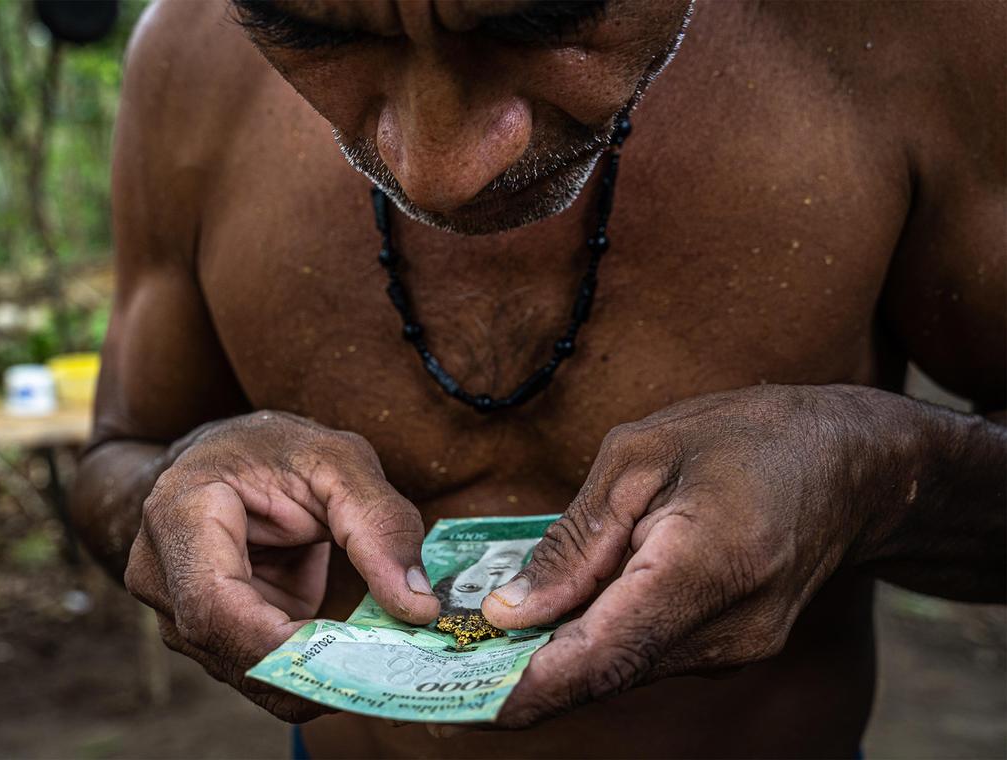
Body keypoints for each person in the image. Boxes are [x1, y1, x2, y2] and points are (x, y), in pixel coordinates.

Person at [71, 0, 1006, 757]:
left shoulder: (916, 33)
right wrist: (179, 487)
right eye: (317, 34)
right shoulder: (189, 57)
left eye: (537, 21)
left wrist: (880, 479)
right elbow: (117, 458)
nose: (436, 173)